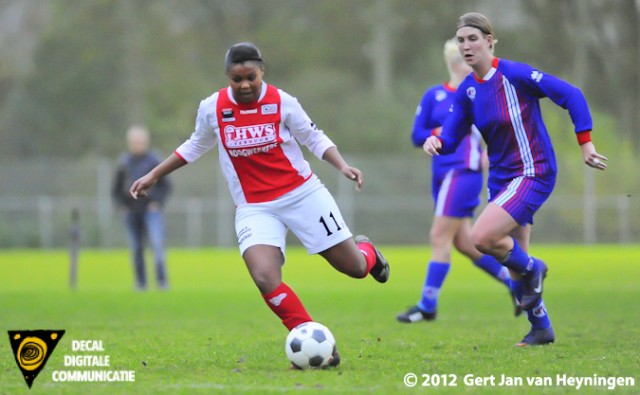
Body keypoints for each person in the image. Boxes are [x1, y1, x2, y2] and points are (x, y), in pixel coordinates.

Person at [129, 42, 390, 366]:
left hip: (303, 194)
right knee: (265, 276)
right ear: (228, 76)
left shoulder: (283, 103)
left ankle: (367, 252)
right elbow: (196, 144)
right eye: (236, 79)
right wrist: (154, 174)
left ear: (261, 72)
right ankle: (308, 336)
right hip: (255, 206)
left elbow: (313, 137)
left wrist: (342, 165)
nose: (244, 85)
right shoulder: (213, 108)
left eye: (250, 77)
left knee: (355, 269)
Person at [423, 12, 607, 346]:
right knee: (512, 262)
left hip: (533, 171)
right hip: (502, 179)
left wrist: (586, 144)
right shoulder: (466, 91)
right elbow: (450, 136)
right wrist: (435, 141)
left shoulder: (515, 75)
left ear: (490, 41)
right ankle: (541, 329)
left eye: (473, 39)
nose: (466, 46)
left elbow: (572, 94)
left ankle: (535, 268)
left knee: (482, 237)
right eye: (461, 40)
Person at [397, 38, 518, 324]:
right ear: (454, 63)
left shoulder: (478, 93)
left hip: (462, 172)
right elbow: (417, 135)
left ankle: (427, 304)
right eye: (466, 57)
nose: (472, 62)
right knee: (465, 243)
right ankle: (517, 285)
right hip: (441, 175)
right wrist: (441, 130)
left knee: (439, 237)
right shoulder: (434, 96)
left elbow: (502, 124)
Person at [112, 124, 171, 291]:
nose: (137, 144)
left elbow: (166, 186)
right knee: (136, 248)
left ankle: (161, 282)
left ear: (146, 141)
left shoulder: (154, 161)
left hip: (151, 211)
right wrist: (122, 206)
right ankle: (141, 283)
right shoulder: (123, 163)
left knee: (157, 244)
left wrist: (157, 202)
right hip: (131, 211)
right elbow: (115, 189)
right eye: (134, 141)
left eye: (140, 141)